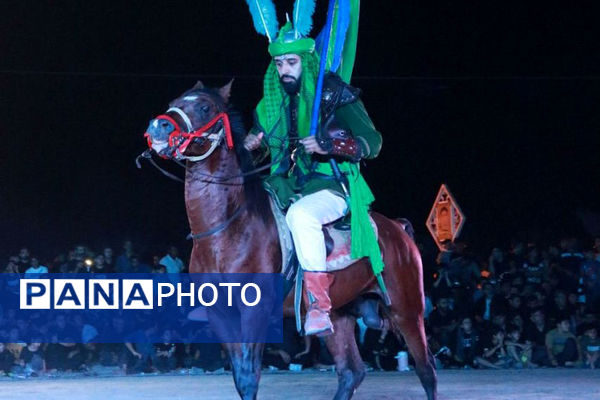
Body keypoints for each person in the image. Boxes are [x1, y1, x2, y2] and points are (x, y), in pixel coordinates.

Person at [243, 17, 382, 336]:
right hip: (287, 184)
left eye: (291, 62)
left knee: (301, 215)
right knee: (247, 209)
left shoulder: (334, 92)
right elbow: (267, 140)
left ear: (305, 60)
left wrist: (329, 143)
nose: (284, 70)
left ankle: (319, 306)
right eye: (279, 63)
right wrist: (252, 144)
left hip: (331, 185)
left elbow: (373, 142)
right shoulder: (275, 100)